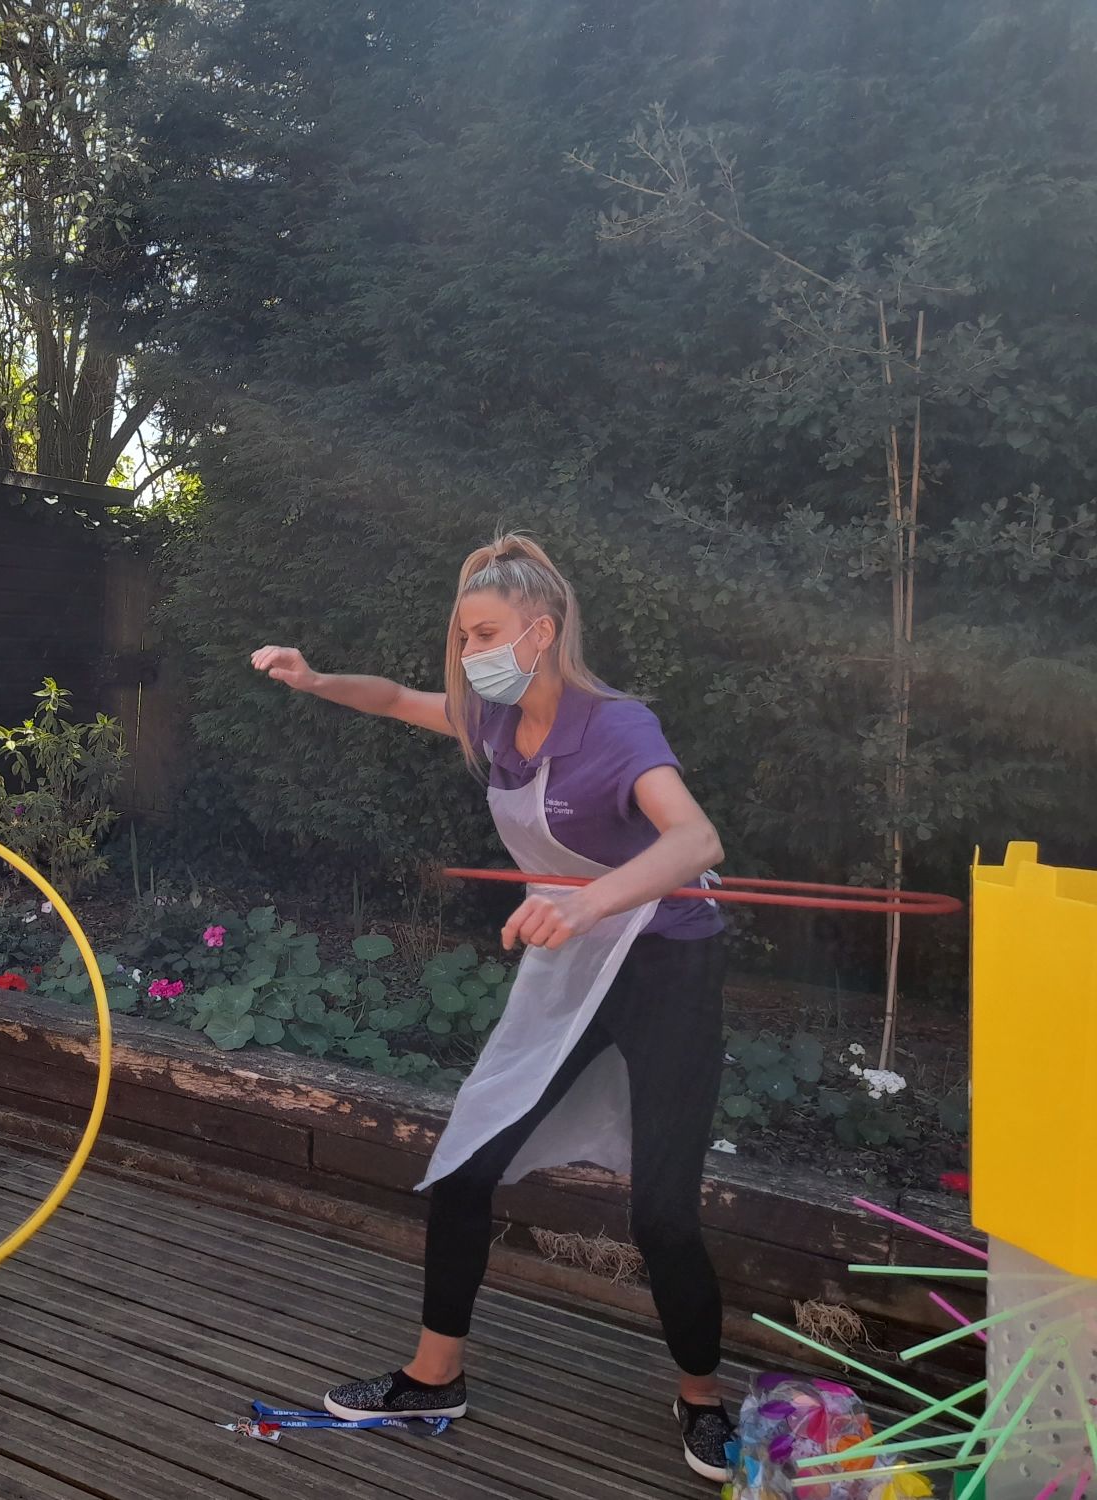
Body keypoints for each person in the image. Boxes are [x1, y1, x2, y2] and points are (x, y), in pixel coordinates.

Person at [251, 533, 735, 1484]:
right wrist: (314, 680)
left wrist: (587, 903)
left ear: (539, 632)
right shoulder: (493, 722)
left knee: (664, 1217)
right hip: (572, 955)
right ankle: (434, 1378)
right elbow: (396, 699)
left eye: (483, 634)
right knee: (467, 1163)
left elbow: (696, 840)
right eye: (464, 635)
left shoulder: (617, 726)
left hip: (667, 964)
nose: (469, 653)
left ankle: (703, 1397)